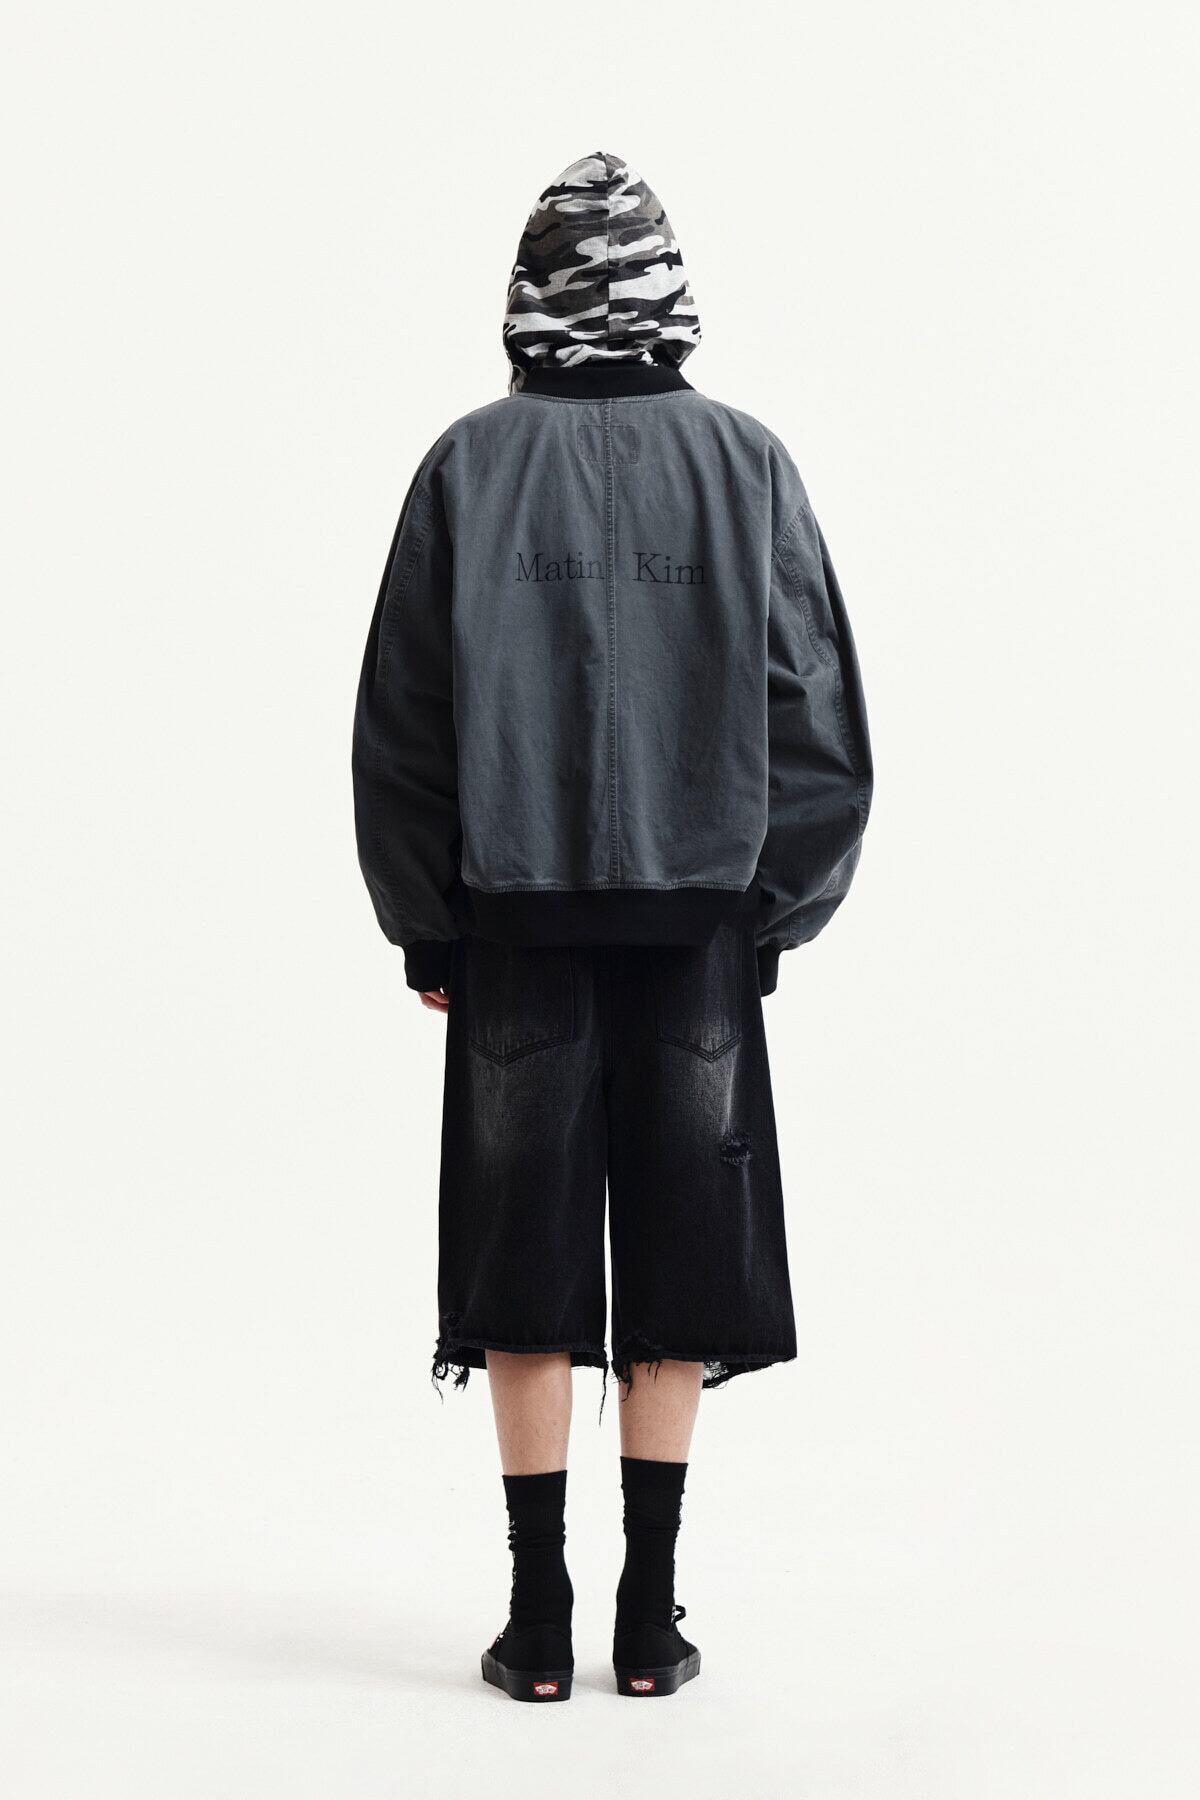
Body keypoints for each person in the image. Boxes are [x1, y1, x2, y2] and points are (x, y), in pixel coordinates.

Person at [352, 151, 872, 1703]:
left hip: (512, 920)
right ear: (669, 297)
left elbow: (404, 725)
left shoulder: (466, 462)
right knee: (681, 1250)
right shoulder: (747, 460)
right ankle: (651, 1619)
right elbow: (817, 713)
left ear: (527, 298)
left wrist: (429, 926)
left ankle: (537, 1622)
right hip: (698, 918)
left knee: (520, 1254)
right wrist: (765, 911)